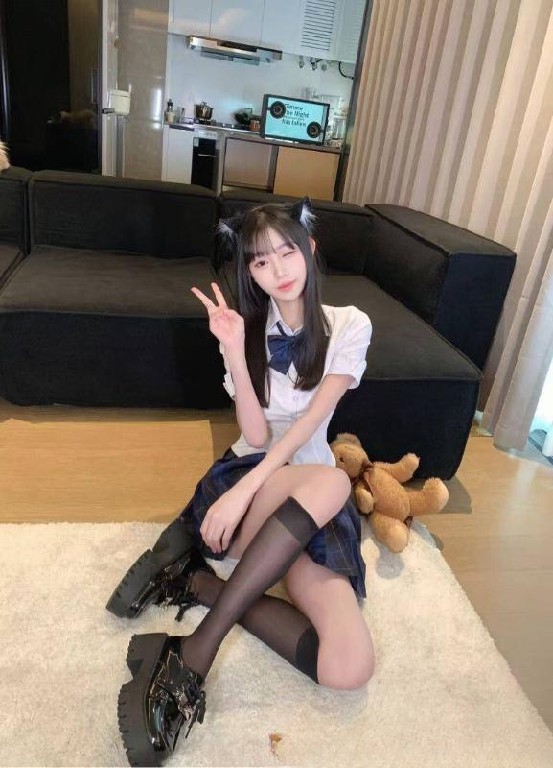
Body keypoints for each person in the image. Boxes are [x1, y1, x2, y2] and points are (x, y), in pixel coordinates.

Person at [111, 198, 375, 767]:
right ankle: (194, 654)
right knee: (333, 482)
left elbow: (310, 423)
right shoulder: (247, 330)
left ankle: (199, 585)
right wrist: (234, 350)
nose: (278, 269)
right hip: (254, 480)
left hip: (296, 495)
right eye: (260, 261)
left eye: (287, 251)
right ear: (249, 272)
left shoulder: (351, 324)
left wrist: (245, 492)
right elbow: (255, 434)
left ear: (310, 249)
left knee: (349, 667)